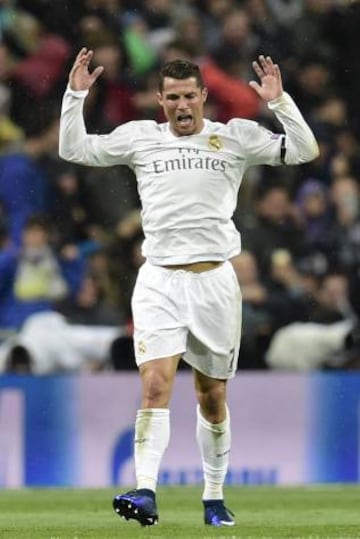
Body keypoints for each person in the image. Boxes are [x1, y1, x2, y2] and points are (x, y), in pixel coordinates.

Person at [59, 48, 319, 528]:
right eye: (173, 97)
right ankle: (145, 491)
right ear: (160, 100)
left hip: (216, 282)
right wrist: (75, 94)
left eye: (190, 96)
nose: (182, 105)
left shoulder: (234, 137)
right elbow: (74, 149)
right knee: (155, 383)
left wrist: (281, 103)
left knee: (211, 396)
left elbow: (304, 151)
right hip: (159, 280)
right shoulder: (141, 139)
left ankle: (214, 498)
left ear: (204, 98)